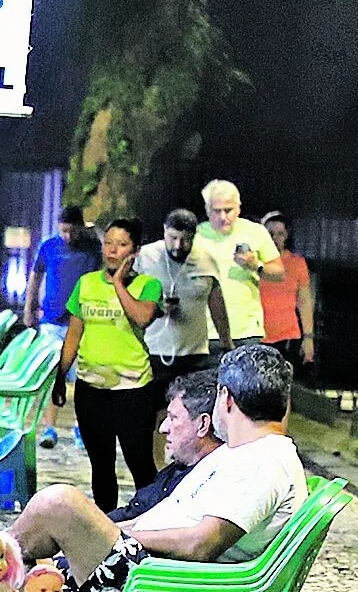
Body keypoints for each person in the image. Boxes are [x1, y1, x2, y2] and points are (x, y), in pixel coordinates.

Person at [7, 345, 305, 592]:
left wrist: (116, 538)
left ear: (226, 399)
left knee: (59, 504)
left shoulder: (264, 461)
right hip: (162, 577)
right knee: (28, 568)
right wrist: (98, 534)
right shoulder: (239, 453)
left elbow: (202, 544)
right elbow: (153, 519)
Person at [52, 220, 162, 510]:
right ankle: (105, 527)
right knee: (101, 464)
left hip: (133, 389)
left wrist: (117, 285)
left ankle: (150, 523)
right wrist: (61, 376)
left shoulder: (148, 285)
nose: (113, 250)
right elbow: (74, 333)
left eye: (122, 244)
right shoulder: (86, 283)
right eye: (109, 243)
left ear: (135, 251)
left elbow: (141, 317)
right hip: (91, 389)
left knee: (139, 462)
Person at [25, 204, 99, 449]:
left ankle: (82, 427)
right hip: (52, 321)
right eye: (64, 231)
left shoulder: (92, 247)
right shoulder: (49, 246)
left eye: (72, 231)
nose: (68, 236)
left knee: (83, 378)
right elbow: (35, 276)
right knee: (53, 375)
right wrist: (30, 308)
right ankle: (49, 428)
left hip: (83, 321)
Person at [108, 369, 221, 523]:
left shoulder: (204, 486)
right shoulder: (176, 470)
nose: (163, 428)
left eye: (173, 418)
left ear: (202, 424)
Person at [135, 208, 228, 389]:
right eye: (173, 238)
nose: (178, 245)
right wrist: (156, 309)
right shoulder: (145, 257)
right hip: (152, 350)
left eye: (186, 239)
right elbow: (128, 298)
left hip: (195, 354)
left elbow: (217, 303)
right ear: (164, 231)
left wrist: (227, 343)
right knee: (155, 410)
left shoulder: (206, 259)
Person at [193, 180, 282, 351]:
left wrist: (256, 265)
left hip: (247, 332)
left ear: (239, 208)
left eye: (228, 210)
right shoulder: (196, 235)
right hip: (205, 333)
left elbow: (279, 273)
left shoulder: (255, 232)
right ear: (206, 209)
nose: (222, 217)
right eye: (216, 211)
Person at [258, 211, 315, 371]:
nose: (275, 239)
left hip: (287, 336)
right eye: (270, 234)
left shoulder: (296, 263)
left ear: (287, 235)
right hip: (256, 335)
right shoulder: (254, 263)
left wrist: (308, 337)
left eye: (280, 234)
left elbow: (304, 302)